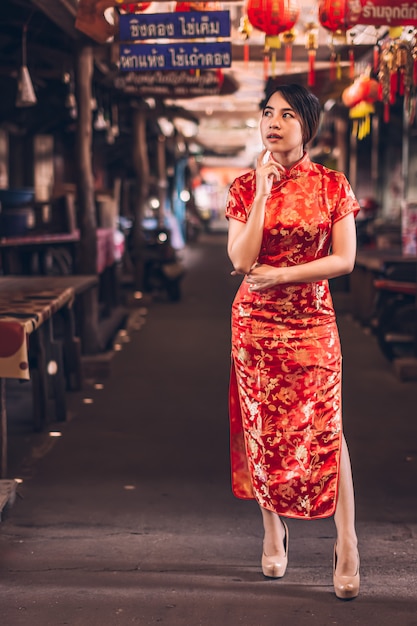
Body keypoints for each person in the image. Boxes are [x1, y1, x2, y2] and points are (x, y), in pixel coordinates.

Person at [225, 84, 360, 600]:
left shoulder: (332, 185)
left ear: (308, 126)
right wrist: (262, 191)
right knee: (264, 428)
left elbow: (344, 259)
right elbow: (241, 261)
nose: (273, 122)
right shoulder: (242, 186)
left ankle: (346, 543)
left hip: (312, 323)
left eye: (286, 114)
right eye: (267, 113)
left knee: (328, 426)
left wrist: (284, 276)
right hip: (255, 325)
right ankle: (272, 530)